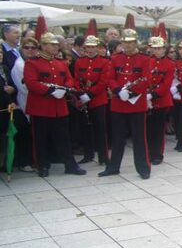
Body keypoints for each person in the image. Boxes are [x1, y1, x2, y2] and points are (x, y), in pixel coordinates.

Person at [24, 31, 85, 178]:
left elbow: (68, 79)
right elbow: (31, 83)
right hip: (41, 106)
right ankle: (43, 165)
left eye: (56, 45)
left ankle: (70, 165)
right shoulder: (32, 63)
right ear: (43, 46)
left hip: (59, 106)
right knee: (41, 138)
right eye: (52, 45)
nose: (56, 47)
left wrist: (66, 89)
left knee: (64, 137)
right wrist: (50, 90)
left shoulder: (60, 63)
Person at [99, 29, 151, 179]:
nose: (128, 45)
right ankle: (113, 167)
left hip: (136, 104)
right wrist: (117, 90)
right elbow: (110, 77)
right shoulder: (115, 59)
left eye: (131, 42)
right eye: (125, 42)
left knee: (139, 138)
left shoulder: (144, 59)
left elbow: (146, 79)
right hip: (118, 103)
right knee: (117, 138)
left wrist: (131, 92)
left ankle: (143, 168)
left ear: (136, 43)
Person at [73, 35, 110, 165]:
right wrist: (80, 92)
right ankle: (88, 155)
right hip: (83, 99)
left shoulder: (104, 62)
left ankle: (103, 157)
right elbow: (76, 79)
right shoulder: (79, 62)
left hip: (98, 99)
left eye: (93, 47)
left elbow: (104, 81)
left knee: (100, 129)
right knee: (86, 129)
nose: (90, 50)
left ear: (97, 48)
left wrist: (90, 93)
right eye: (88, 47)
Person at [10, 37, 38, 172]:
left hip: (37, 100)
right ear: (22, 49)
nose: (31, 50)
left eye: (33, 48)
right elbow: (24, 88)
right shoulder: (20, 65)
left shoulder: (33, 62)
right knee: (26, 133)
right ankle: (25, 161)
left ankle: (33, 159)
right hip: (26, 101)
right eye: (27, 48)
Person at [147, 36, 175, 165]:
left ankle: (158, 154)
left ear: (164, 49)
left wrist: (153, 94)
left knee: (158, 129)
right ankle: (149, 153)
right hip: (147, 100)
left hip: (161, 100)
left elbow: (166, 84)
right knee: (149, 128)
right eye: (155, 48)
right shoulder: (148, 61)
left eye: (159, 48)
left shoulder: (169, 64)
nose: (157, 51)